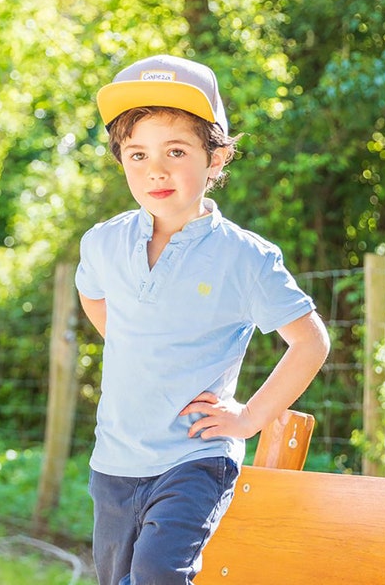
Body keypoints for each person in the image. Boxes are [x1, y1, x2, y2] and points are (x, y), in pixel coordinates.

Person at [75, 54, 331, 585]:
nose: (156, 170)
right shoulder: (102, 242)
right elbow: (92, 296)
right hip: (115, 460)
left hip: (195, 459)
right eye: (137, 154)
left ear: (215, 159)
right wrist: (135, 347)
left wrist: (246, 420)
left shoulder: (247, 258)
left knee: (158, 574)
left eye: (176, 151)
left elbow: (310, 343)